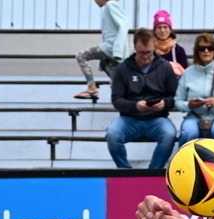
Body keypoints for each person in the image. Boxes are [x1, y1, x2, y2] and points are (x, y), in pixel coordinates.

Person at [106, 28, 179, 169]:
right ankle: (125, 171)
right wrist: (134, 106)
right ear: (135, 48)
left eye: (149, 53)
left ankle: (153, 171)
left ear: (155, 48)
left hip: (157, 118)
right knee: (112, 134)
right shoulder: (123, 68)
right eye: (141, 53)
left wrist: (164, 103)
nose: (145, 56)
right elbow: (116, 100)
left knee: (169, 134)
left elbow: (174, 96)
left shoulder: (165, 67)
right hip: (130, 119)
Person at [74, 0, 130, 101]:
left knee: (81, 55)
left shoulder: (110, 5)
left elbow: (124, 24)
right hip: (111, 48)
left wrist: (118, 48)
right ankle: (120, 98)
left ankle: (91, 87)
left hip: (110, 47)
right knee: (109, 71)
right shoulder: (108, 7)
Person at [152, 10, 188, 75]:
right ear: (154, 31)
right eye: (159, 27)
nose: (162, 30)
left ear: (170, 30)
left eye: (165, 27)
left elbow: (185, 74)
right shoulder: (150, 50)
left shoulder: (179, 50)